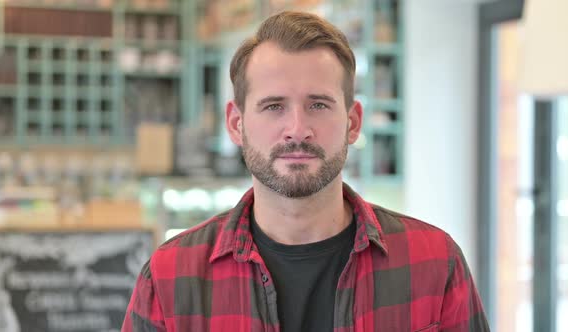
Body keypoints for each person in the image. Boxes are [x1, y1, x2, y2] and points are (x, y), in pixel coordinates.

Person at [122, 11, 489, 332]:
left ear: (353, 122)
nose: (297, 128)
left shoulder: (434, 264)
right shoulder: (170, 280)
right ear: (236, 124)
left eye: (317, 104)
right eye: (273, 106)